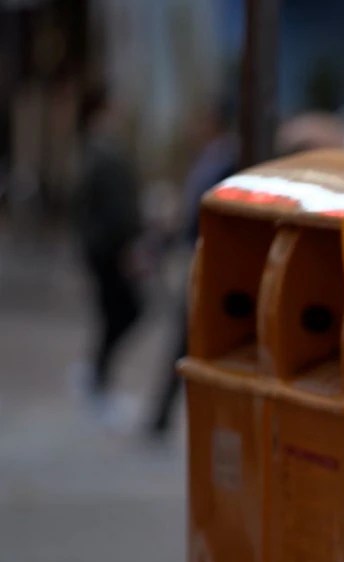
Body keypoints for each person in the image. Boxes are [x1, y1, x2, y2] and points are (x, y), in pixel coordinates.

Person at [144, 100, 238, 440]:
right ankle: (162, 416)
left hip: (210, 260)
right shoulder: (207, 157)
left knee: (189, 335)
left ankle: (165, 416)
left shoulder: (227, 157)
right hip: (194, 254)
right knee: (184, 336)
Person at [72, 88, 146, 425]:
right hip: (111, 250)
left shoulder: (98, 152)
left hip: (105, 249)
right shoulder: (103, 154)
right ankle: (99, 379)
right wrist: (129, 246)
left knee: (117, 313)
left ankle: (97, 375)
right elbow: (116, 210)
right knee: (125, 310)